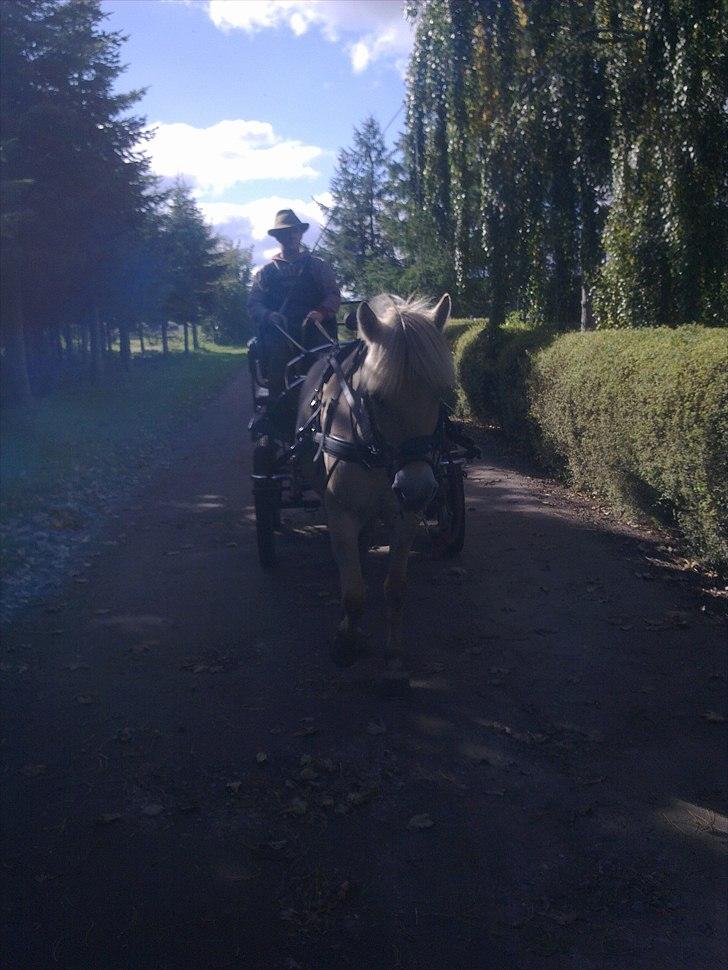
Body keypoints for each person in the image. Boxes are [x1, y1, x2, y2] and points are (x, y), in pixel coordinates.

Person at [248, 209, 341, 401]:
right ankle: (278, 414)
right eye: (285, 233)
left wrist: (320, 312)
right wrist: (268, 315)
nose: (290, 236)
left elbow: (333, 294)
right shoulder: (265, 273)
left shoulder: (318, 266)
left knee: (326, 370)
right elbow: (254, 303)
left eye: (294, 232)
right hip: (280, 333)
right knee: (277, 370)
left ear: (300, 234)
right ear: (278, 237)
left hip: (316, 330)